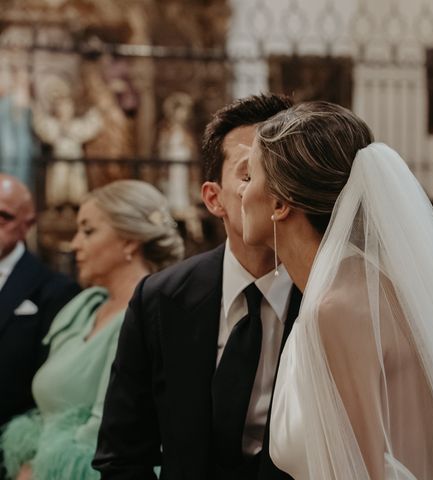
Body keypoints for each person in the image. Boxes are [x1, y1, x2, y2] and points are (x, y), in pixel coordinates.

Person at [239, 101, 433, 479]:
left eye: (249, 178)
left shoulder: (337, 308)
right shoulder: (371, 286)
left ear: (280, 204)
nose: (241, 192)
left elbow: (360, 472)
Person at [92, 93, 301, 480]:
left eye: (285, 168)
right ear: (213, 198)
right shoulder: (160, 298)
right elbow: (122, 454)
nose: (274, 186)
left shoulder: (327, 298)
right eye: (249, 171)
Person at [1, 180, 183, 480]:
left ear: (129, 241)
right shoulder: (85, 307)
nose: (74, 245)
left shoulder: (147, 317)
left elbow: (106, 430)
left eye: (88, 231)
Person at [0, 174, 80, 479]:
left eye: (3, 216)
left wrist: (29, 455)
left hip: (11, 451)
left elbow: (54, 385)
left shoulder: (53, 290)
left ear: (27, 224)